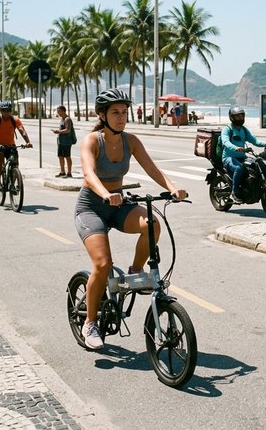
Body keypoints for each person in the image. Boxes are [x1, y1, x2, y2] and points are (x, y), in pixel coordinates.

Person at [75, 88, 187, 350]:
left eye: (124, 112)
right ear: (102, 115)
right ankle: (90, 322)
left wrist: (172, 188)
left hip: (117, 204)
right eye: (115, 112)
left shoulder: (131, 140)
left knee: (152, 224)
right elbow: (89, 174)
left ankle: (136, 270)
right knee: (103, 265)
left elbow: (152, 167)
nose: (121, 117)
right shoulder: (92, 140)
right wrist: (105, 193)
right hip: (92, 207)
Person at [221, 106, 266, 203]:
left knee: (256, 164)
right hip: (229, 157)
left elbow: (254, 140)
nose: (240, 118)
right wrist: (235, 148)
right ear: (232, 118)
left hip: (242, 157)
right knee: (238, 168)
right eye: (237, 116)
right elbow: (225, 142)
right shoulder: (227, 129)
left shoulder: (244, 130)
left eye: (241, 116)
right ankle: (234, 192)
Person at [0, 101, 32, 191]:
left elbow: (22, 130)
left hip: (10, 145)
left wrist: (28, 142)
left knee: (15, 162)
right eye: (4, 111)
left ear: (11, 111)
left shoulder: (15, 120)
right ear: (1, 111)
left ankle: (12, 184)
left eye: (8, 110)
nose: (6, 113)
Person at [52, 105, 74, 177]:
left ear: (63, 111)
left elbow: (68, 130)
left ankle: (69, 173)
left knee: (67, 156)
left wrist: (59, 131)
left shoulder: (67, 119)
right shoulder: (62, 119)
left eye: (59, 111)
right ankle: (62, 171)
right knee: (60, 156)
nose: (58, 113)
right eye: (58, 112)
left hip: (66, 141)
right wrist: (58, 132)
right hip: (61, 141)